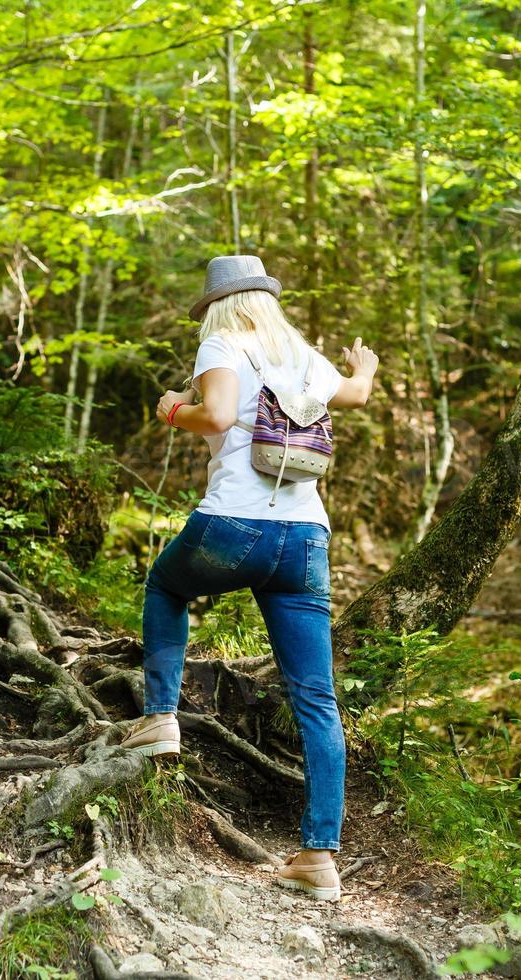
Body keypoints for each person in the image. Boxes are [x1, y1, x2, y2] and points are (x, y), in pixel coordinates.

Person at [121, 254, 378, 902]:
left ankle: (159, 717)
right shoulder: (299, 352)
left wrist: (169, 410)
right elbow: (356, 395)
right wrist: (364, 368)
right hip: (305, 540)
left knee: (166, 585)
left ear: (217, 305)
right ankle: (319, 858)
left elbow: (214, 415)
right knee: (316, 698)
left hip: (234, 526)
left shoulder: (222, 341)